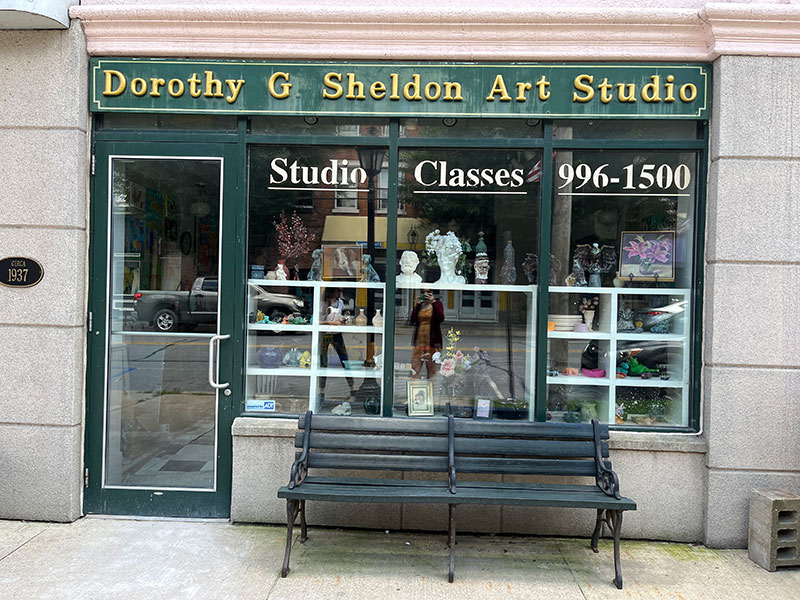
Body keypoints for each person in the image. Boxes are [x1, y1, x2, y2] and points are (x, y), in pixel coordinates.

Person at [319, 288, 355, 399]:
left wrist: (342, 320)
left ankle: (352, 387)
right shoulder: (323, 303)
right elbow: (317, 321)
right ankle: (321, 389)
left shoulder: (340, 303)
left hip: (337, 334)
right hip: (325, 333)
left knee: (344, 358)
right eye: (338, 291)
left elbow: (341, 315)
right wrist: (331, 322)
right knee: (323, 361)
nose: (340, 293)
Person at [409, 288, 444, 379]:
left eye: (428, 292)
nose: (425, 294)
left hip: (432, 339)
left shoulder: (437, 304)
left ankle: (431, 386)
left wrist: (433, 303)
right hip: (420, 339)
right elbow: (412, 320)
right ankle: (414, 385)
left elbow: (440, 318)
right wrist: (417, 305)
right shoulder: (420, 305)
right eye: (423, 292)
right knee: (415, 368)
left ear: (432, 293)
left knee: (431, 368)